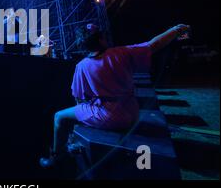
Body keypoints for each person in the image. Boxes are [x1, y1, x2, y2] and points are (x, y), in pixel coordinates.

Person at [39, 23, 191, 168]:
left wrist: (84, 117)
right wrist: (176, 29)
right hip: (132, 112)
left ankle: (57, 156)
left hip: (110, 117)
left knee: (59, 116)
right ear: (100, 40)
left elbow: (79, 98)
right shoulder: (123, 52)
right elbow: (154, 44)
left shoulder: (82, 66)